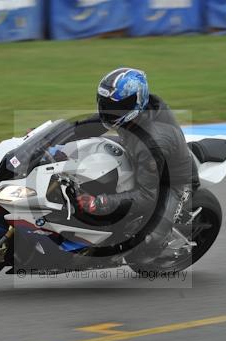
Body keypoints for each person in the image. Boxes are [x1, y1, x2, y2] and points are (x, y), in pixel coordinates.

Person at [72, 67, 194, 264]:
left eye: (117, 106)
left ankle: (161, 250)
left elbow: (148, 196)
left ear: (138, 101)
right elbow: (89, 126)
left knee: (145, 242)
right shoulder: (126, 113)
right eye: (105, 104)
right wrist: (48, 137)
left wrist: (101, 203)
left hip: (171, 182)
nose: (108, 111)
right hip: (138, 155)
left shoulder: (153, 141)